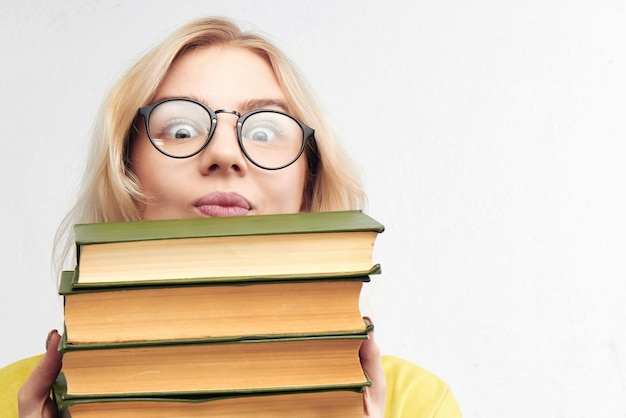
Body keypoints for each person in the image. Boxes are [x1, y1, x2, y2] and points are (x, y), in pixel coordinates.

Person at [0, 17, 462, 418]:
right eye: (181, 129)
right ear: (126, 170)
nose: (224, 153)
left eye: (264, 131)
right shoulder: (12, 400)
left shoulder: (415, 405)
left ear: (310, 179)